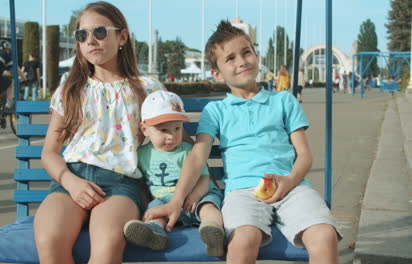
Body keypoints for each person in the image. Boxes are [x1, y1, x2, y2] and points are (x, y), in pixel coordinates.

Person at [144, 20, 342, 263]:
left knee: (324, 235)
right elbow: (197, 156)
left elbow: (304, 155)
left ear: (256, 55)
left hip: (292, 186)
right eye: (230, 58)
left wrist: (290, 181)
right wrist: (177, 200)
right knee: (242, 239)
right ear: (216, 73)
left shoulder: (284, 101)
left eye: (246, 52)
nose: (242, 61)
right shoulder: (215, 110)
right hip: (242, 191)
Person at [32, 2, 169, 263]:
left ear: (122, 36)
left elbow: (176, 140)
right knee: (49, 240)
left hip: (119, 184)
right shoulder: (70, 89)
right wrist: (70, 183)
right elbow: (49, 153)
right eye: (82, 35)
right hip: (71, 179)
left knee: (106, 247)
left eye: (100, 32)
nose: (91, 40)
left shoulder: (147, 89)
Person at [123, 90, 225, 256]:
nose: (171, 136)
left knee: (209, 207)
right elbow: (140, 183)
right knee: (154, 210)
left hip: (198, 196)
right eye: (164, 130)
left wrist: (195, 196)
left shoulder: (188, 151)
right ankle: (155, 233)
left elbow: (204, 178)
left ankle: (213, 231)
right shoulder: (142, 155)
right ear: (145, 129)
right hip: (165, 201)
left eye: (177, 128)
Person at [0, 39, 25, 110]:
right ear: (5, 48)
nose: (8, 51)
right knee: (11, 83)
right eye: (8, 49)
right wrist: (24, 78)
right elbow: (16, 68)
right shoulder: (5, 54)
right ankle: (8, 104)